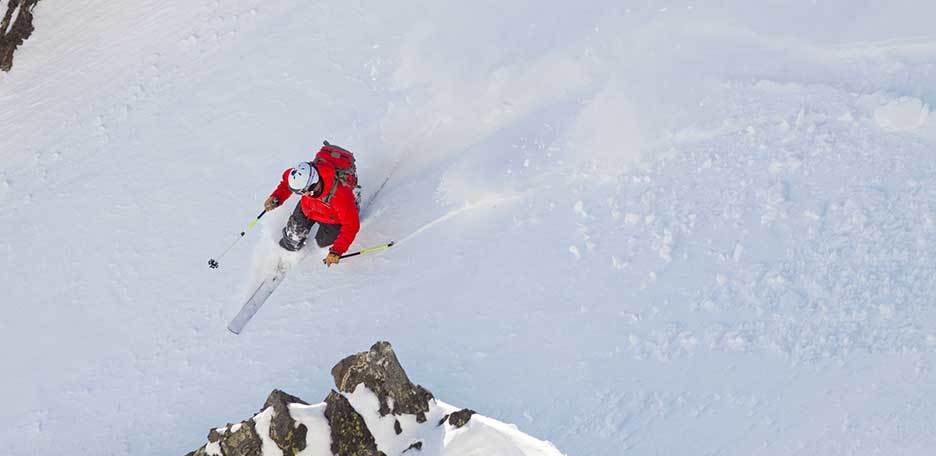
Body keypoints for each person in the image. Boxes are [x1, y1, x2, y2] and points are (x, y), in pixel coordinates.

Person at [264, 155, 360, 267]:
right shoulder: (301, 175)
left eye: (302, 192)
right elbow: (287, 183)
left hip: (332, 218)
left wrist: (336, 251)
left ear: (312, 185)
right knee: (292, 240)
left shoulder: (340, 195)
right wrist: (276, 198)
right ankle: (285, 255)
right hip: (308, 209)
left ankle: (355, 199)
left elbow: (351, 225)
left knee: (322, 242)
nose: (301, 194)